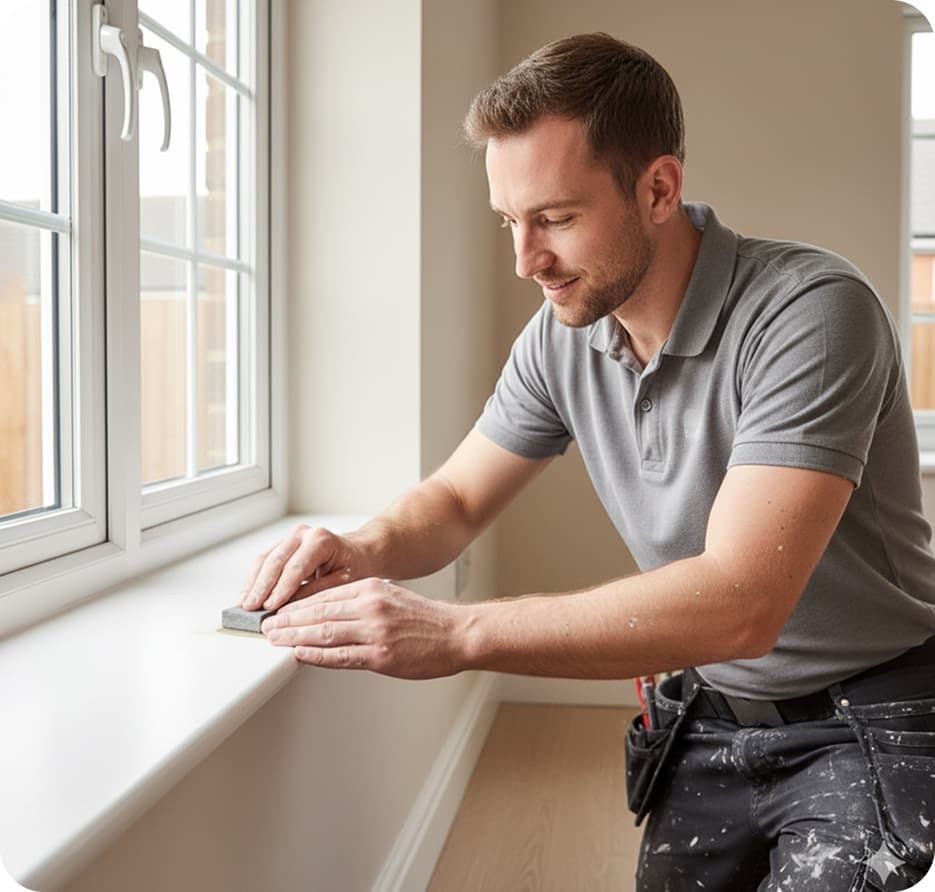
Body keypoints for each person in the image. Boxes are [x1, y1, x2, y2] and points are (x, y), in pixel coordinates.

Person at [241, 33, 935, 890]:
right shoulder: (564, 336)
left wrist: (456, 634)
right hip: (710, 714)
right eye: (510, 222)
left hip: (866, 716)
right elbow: (456, 500)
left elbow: (742, 603)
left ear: (657, 188)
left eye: (555, 220)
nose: (526, 260)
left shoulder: (812, 314)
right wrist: (365, 549)